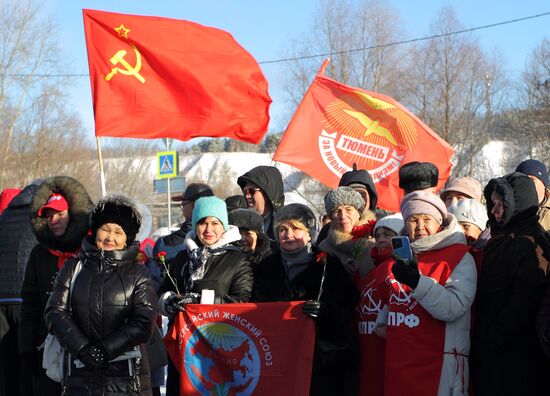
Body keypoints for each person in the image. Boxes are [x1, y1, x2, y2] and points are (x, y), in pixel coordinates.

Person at [45, 195, 157, 394]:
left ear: (127, 239)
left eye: (118, 232)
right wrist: (84, 349)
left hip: (128, 379)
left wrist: (105, 350)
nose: (109, 238)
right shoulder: (73, 267)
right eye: (105, 229)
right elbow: (55, 312)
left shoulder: (138, 273)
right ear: (95, 230)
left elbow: (143, 321)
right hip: (80, 374)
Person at [375, 190, 476, 396]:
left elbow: (453, 307)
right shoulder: (400, 259)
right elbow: (392, 302)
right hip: (400, 366)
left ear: (439, 221)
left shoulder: (459, 256)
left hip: (439, 368)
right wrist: (383, 320)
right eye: (413, 220)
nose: (420, 226)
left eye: (426, 219)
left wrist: (416, 282)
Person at [252, 203, 359, 396]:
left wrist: (326, 311)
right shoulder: (266, 267)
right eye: (282, 229)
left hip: (321, 364)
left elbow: (349, 308)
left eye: (296, 228)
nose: (288, 234)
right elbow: (254, 309)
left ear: (309, 233)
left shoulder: (329, 266)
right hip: (276, 359)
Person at [158, 196, 253, 396]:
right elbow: (164, 291)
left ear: (224, 226)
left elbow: (243, 302)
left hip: (221, 348)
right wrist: (169, 302)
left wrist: (200, 300)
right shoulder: (183, 258)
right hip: (185, 347)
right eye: (202, 223)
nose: (208, 229)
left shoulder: (237, 259)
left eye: (215, 223)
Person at [471, 172, 550, 395]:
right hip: (495, 349)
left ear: (518, 204)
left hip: (513, 356)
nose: (495, 210)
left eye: (502, 204)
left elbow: (526, 300)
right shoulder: (503, 235)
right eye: (493, 203)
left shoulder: (529, 243)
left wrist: (495, 335)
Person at [19, 176, 93, 396]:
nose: (55, 220)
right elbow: (30, 303)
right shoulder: (39, 254)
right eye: (49, 216)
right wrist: (27, 348)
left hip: (84, 342)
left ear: (72, 213)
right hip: (48, 344)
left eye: (60, 214)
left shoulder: (88, 249)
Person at [356, 214, 404, 396]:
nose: (381, 239)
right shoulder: (369, 273)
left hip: (391, 354)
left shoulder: (403, 269)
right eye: (377, 236)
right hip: (368, 354)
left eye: (388, 234)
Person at [0, 184, 38, 396]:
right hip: (25, 300)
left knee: (5, 365)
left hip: (1, 300)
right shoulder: (36, 219)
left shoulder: (2, 219)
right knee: (27, 360)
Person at [317, 187, 376, 277]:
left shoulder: (377, 237)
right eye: (337, 211)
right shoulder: (324, 248)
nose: (343, 216)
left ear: (358, 212)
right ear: (331, 217)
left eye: (348, 209)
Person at [153, 182, 214, 266]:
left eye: (183, 205)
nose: (182, 209)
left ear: (194, 206)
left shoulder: (164, 244)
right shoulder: (226, 237)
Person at [237, 165, 285, 243]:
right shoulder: (241, 223)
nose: (247, 195)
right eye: (245, 191)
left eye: (251, 191)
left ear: (268, 192)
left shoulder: (284, 224)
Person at [447, 198, 489, 273]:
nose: (460, 231)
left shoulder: (490, 251)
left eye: (465, 226)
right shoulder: (452, 252)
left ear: (480, 227)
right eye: (455, 226)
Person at [515, 159, 550, 230]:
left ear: (543, 184)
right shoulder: (508, 212)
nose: (526, 184)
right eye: (521, 181)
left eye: (532, 180)